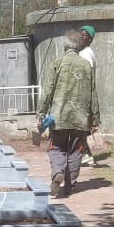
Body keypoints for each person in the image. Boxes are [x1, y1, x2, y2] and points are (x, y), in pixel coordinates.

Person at [37, 30, 100, 198]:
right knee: (76, 151)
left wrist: (41, 114)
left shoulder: (58, 63)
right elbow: (92, 93)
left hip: (59, 118)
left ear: (65, 45)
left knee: (56, 148)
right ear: (80, 46)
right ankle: (70, 185)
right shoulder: (86, 65)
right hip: (80, 119)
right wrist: (95, 119)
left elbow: (48, 91)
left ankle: (58, 171)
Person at [77, 25, 97, 167]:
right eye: (80, 35)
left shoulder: (86, 53)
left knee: (81, 127)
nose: (81, 37)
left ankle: (85, 155)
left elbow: (86, 75)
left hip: (83, 95)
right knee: (82, 127)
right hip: (82, 94)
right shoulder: (83, 52)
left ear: (89, 39)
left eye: (84, 36)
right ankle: (86, 155)